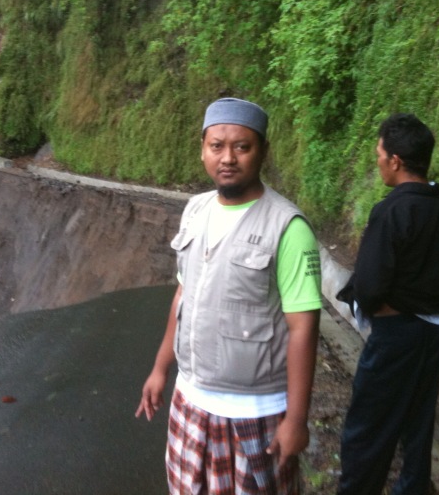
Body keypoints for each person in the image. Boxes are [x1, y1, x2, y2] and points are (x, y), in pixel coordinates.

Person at [135, 97, 322, 495]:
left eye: (242, 147)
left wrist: (296, 419)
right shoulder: (195, 210)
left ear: (263, 151)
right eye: (216, 146)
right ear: (202, 149)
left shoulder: (288, 228)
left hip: (256, 413)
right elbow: (184, 295)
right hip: (190, 399)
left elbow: (303, 328)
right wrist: (160, 368)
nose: (228, 158)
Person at [336, 113, 439, 495]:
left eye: (380, 155)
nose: (378, 161)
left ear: (395, 160)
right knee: (417, 427)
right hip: (432, 334)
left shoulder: (392, 211)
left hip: (393, 338)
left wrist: (367, 303)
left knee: (367, 430)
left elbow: (370, 285)